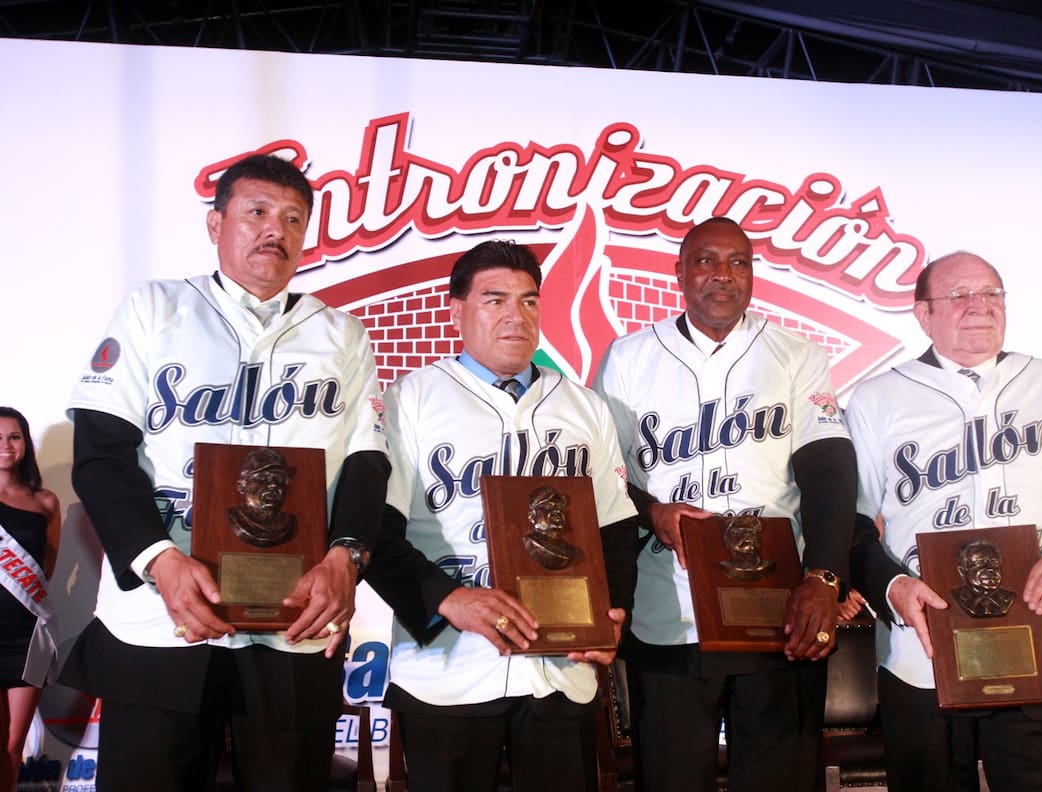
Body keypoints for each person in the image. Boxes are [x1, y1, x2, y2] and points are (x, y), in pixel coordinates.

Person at [61, 153, 391, 791]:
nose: (276, 229)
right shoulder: (156, 309)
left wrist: (345, 558)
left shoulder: (342, 334)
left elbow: (366, 464)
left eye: (293, 218)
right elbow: (101, 453)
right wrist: (157, 558)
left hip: (293, 616)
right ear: (216, 225)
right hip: (166, 613)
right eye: (257, 212)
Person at [845, 251, 1042, 792]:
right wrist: (891, 587)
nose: (979, 306)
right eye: (959, 296)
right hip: (924, 652)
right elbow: (851, 522)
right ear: (923, 313)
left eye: (991, 294)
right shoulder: (877, 397)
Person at [592, 216, 857, 792]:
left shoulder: (796, 354)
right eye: (707, 261)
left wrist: (825, 578)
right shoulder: (629, 356)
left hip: (778, 609)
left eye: (739, 262)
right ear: (680, 272)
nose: (723, 276)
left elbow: (831, 474)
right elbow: (599, 475)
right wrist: (652, 512)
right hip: (670, 607)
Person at [367, 239, 638, 792]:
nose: (516, 315)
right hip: (446, 665)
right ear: (456, 309)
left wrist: (613, 613)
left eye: (530, 300)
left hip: (559, 665)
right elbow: (374, 531)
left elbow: (614, 528)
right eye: (494, 299)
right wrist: (447, 598)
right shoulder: (410, 399)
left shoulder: (584, 405)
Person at [0, 407, 60, 792]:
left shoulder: (46, 502)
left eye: (14, 437)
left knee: (12, 745)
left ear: (26, 443)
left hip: (25, 638)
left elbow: (47, 567)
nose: (5, 446)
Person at [226, 447, 298, 547]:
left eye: (279, 479)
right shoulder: (235, 517)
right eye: (262, 478)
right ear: (242, 486)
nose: (273, 484)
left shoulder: (287, 522)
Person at [950, 540, 1015, 618]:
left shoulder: (1008, 598)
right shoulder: (958, 596)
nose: (991, 569)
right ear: (963, 572)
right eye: (981, 563)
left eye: (994, 563)